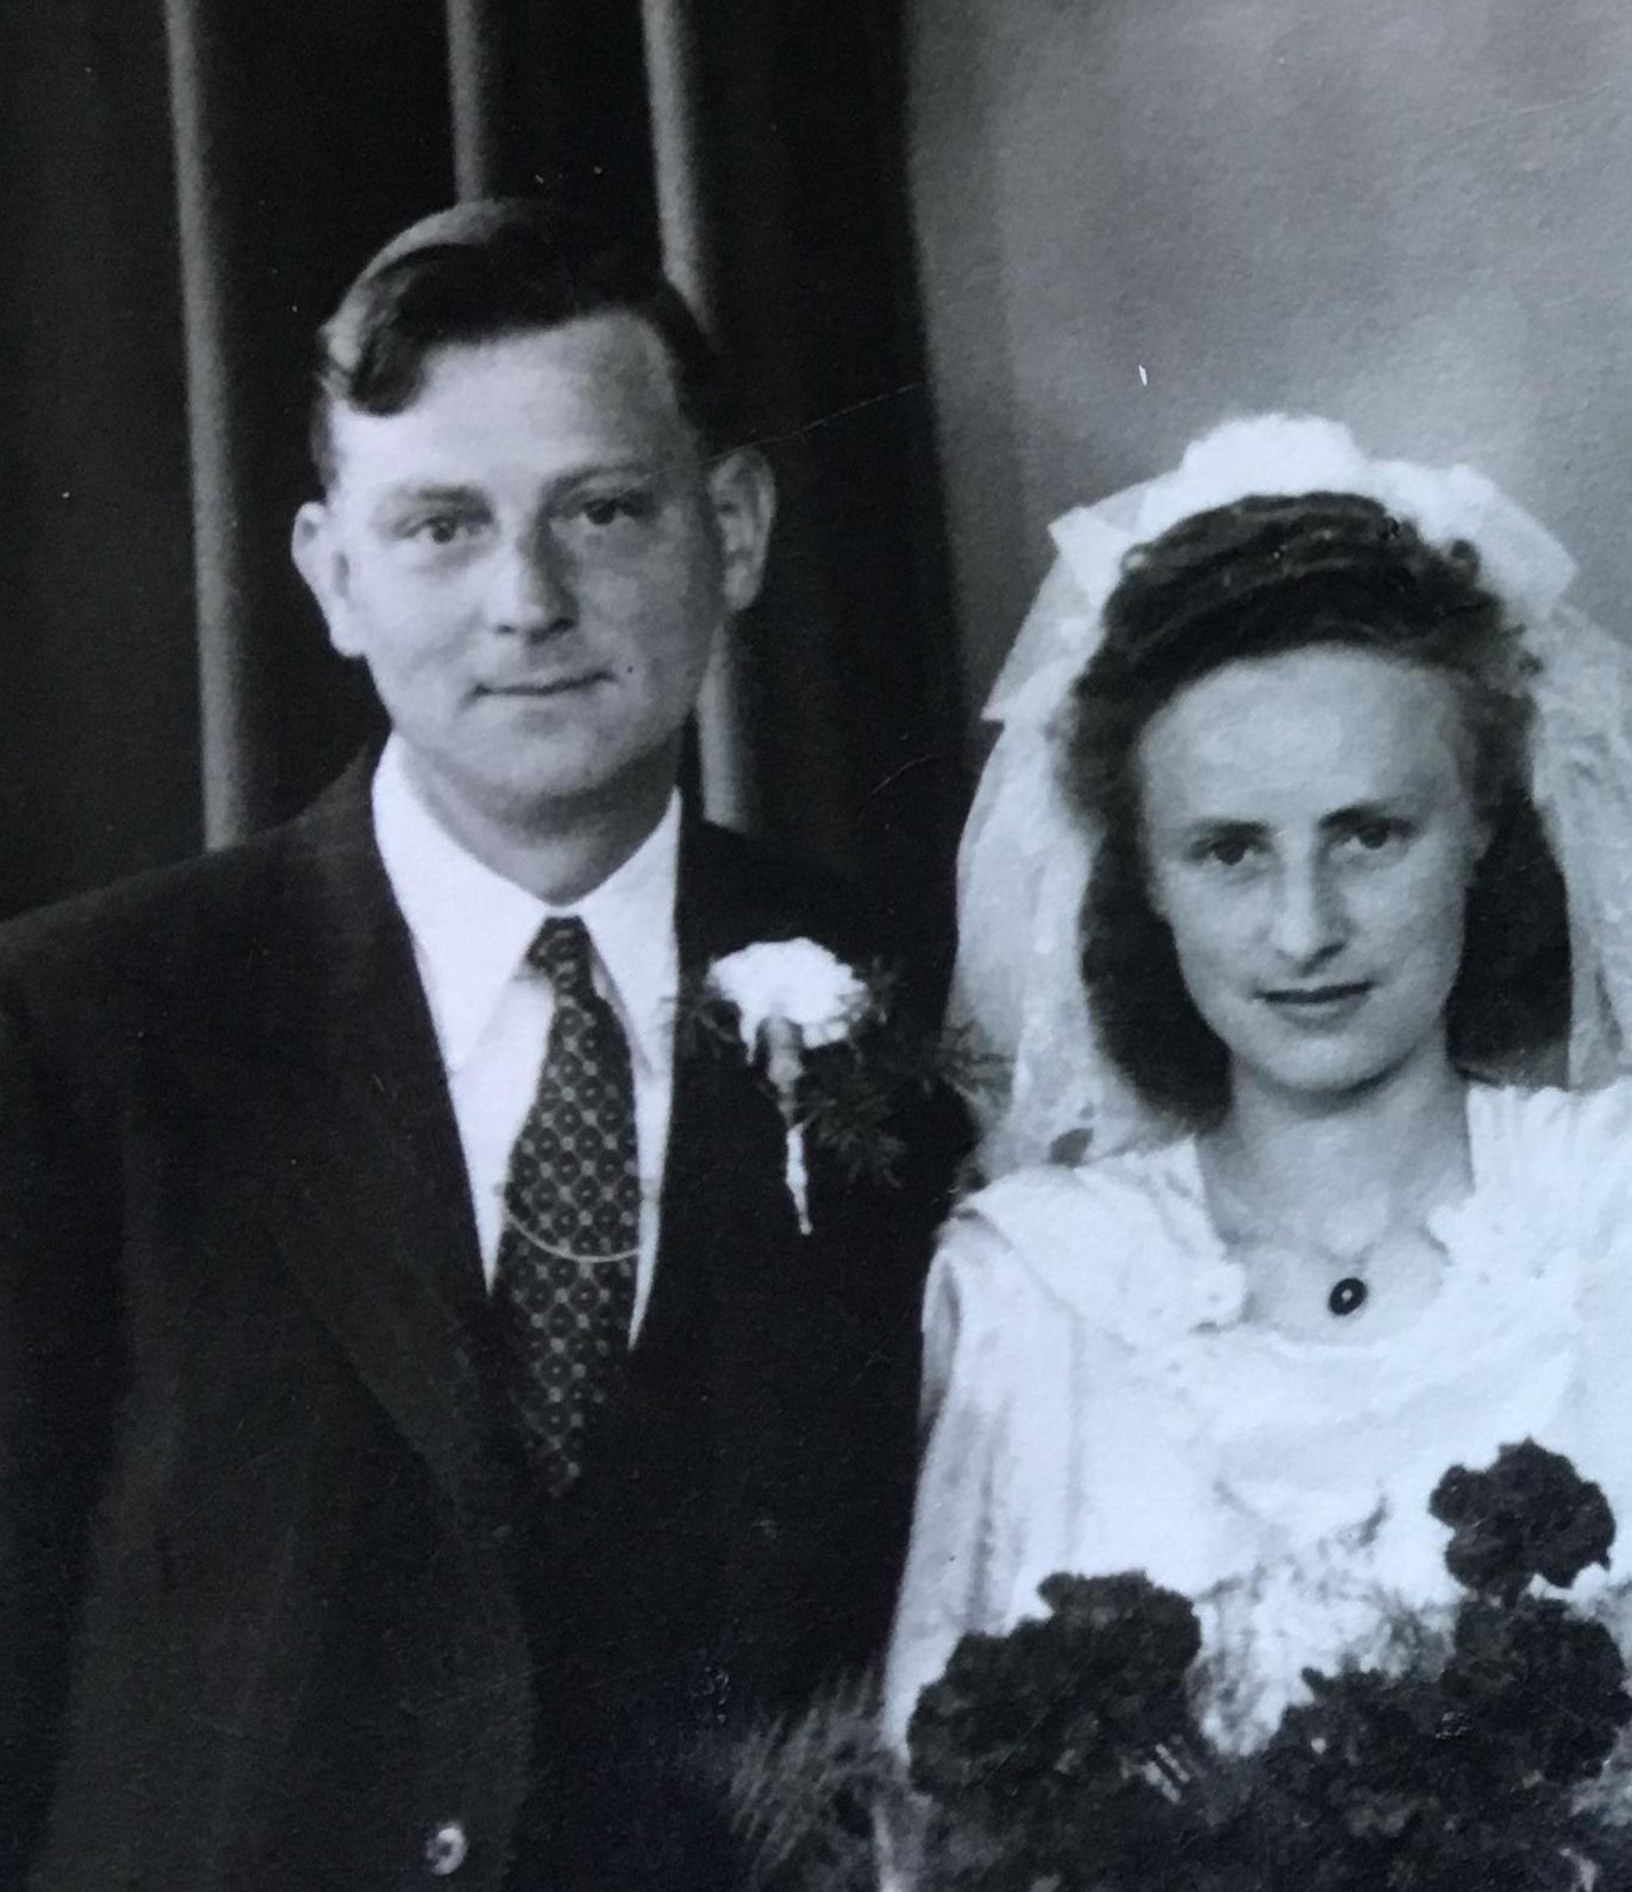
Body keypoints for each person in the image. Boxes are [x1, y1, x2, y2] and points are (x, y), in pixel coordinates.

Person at [0, 199, 966, 1891]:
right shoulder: (81, 1026)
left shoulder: (917, 999)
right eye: (442, 526)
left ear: (732, 530)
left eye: (601, 510)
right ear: (332, 576)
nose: (528, 601)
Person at [883, 418, 1632, 1798]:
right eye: (1229, 852)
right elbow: (931, 1821)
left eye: (1370, 833)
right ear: (1140, 873)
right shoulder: (1034, 1285)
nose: (1305, 927)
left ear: (1487, 827)